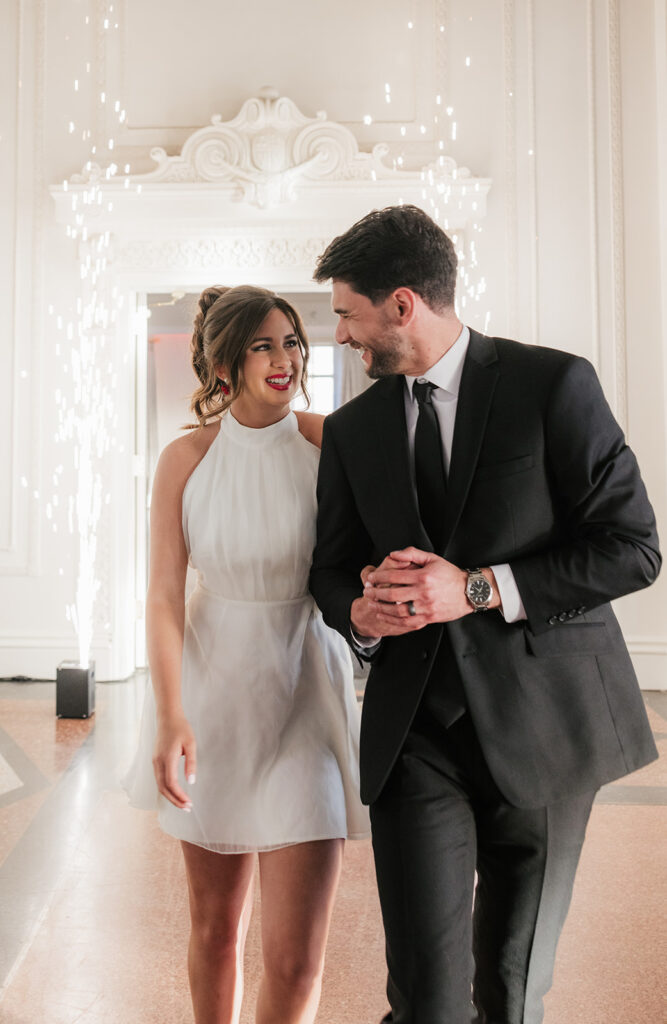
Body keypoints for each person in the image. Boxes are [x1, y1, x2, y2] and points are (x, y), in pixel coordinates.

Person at [309, 205, 660, 1024]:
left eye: (346, 315)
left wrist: (473, 588)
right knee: (426, 1001)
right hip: (415, 736)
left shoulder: (553, 384)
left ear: (402, 304)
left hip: (546, 728)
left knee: (511, 989)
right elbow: (328, 571)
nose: (341, 338)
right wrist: (360, 612)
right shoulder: (353, 430)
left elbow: (632, 548)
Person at [123, 284, 369, 1024]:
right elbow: (164, 597)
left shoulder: (332, 444)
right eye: (263, 344)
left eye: (292, 341)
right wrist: (171, 716)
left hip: (306, 691)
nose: (285, 357)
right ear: (224, 362)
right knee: (215, 929)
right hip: (213, 695)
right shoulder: (185, 459)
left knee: (295, 958)